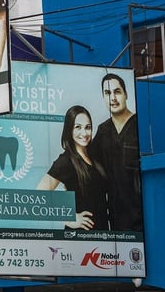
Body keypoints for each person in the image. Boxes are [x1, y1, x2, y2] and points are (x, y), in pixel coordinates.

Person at [37, 105, 110, 231]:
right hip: (79, 237)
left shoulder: (94, 156)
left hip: (101, 233)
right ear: (69, 130)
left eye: (88, 127)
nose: (84, 133)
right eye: (78, 127)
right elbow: (38, 197)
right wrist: (69, 219)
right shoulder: (66, 161)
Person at [91, 73, 144, 231]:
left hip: (143, 217)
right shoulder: (103, 131)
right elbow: (85, 165)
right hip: (116, 221)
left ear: (126, 94)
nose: (113, 98)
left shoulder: (138, 125)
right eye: (107, 93)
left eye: (117, 92)